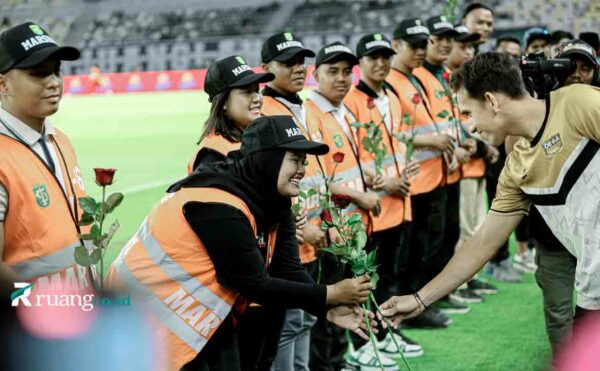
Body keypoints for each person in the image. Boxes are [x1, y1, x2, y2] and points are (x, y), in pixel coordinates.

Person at [106, 116, 376, 371]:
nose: (303, 171)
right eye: (295, 160)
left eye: (304, 162)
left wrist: (327, 308)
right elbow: (254, 284)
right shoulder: (216, 202)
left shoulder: (272, 201)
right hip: (144, 316)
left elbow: (287, 270)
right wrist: (330, 294)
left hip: (193, 315)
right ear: (267, 160)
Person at [380, 52, 600, 341]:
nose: (470, 127)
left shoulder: (578, 103)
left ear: (492, 101)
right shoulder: (517, 166)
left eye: (469, 113)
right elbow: (482, 243)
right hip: (592, 294)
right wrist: (420, 299)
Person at [342, 33, 423, 369]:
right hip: (372, 207)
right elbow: (351, 157)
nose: (380, 63)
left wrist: (407, 166)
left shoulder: (390, 94)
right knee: (365, 281)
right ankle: (365, 341)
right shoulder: (350, 102)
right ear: (360, 63)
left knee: (389, 276)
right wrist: (385, 180)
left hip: (397, 203)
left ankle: (385, 334)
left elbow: (400, 139)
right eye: (373, 57)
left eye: (385, 56)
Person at [0, 22, 94, 293]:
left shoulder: (60, 140)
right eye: (39, 73)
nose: (53, 82)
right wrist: (42, 313)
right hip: (31, 328)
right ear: (3, 84)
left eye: (56, 71)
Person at [258, 31, 326, 371]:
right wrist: (299, 231)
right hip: (289, 243)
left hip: (312, 236)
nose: (298, 68)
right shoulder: (265, 113)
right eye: (288, 63)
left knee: (305, 320)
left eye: (301, 61)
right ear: (265, 68)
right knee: (288, 324)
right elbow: (268, 184)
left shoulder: (301, 106)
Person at [528, 39, 598, 354]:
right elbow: (513, 157)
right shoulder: (536, 108)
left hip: (593, 237)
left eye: (586, 67)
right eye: (570, 66)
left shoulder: (593, 106)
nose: (577, 74)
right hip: (552, 236)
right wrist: (537, 97)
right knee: (558, 309)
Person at [386, 18, 453, 329]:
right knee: (409, 253)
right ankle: (408, 310)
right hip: (412, 182)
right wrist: (431, 140)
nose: (420, 51)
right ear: (396, 45)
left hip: (432, 176)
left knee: (425, 247)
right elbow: (393, 132)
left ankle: (418, 306)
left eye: (423, 44)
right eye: (413, 45)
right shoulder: (390, 81)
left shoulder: (415, 77)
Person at [446, 25, 499, 301]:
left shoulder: (464, 81)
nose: (468, 52)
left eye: (471, 47)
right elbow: (456, 125)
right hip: (463, 166)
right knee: (466, 230)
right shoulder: (449, 82)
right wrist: (480, 145)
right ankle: (457, 285)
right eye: (462, 46)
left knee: (476, 228)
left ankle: (471, 278)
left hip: (475, 164)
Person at [188, 55, 274, 172]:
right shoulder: (212, 156)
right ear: (223, 102)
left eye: (257, 90)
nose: (257, 98)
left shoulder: (262, 136)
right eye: (247, 92)